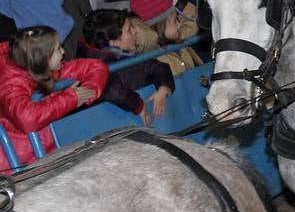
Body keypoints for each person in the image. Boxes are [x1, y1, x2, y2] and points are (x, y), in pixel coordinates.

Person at [0, 25, 106, 170]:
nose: (63, 52)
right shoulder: (10, 83)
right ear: (43, 57)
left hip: (45, 151)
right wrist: (71, 98)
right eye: (58, 49)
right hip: (13, 163)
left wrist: (88, 91)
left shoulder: (46, 68)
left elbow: (96, 66)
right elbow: (27, 118)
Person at [78, 9, 174, 125]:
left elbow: (156, 67)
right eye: (129, 30)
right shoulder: (92, 68)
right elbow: (111, 90)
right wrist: (138, 105)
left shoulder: (126, 55)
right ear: (114, 42)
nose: (135, 32)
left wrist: (164, 88)